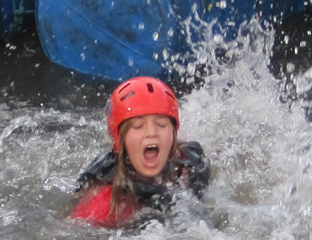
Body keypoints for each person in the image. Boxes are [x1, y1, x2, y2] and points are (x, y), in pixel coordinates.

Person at [70, 76, 210, 229]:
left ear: (173, 135)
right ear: (120, 140)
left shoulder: (186, 166)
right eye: (137, 126)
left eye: (161, 124)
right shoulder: (103, 205)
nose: (151, 132)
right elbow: (64, 236)